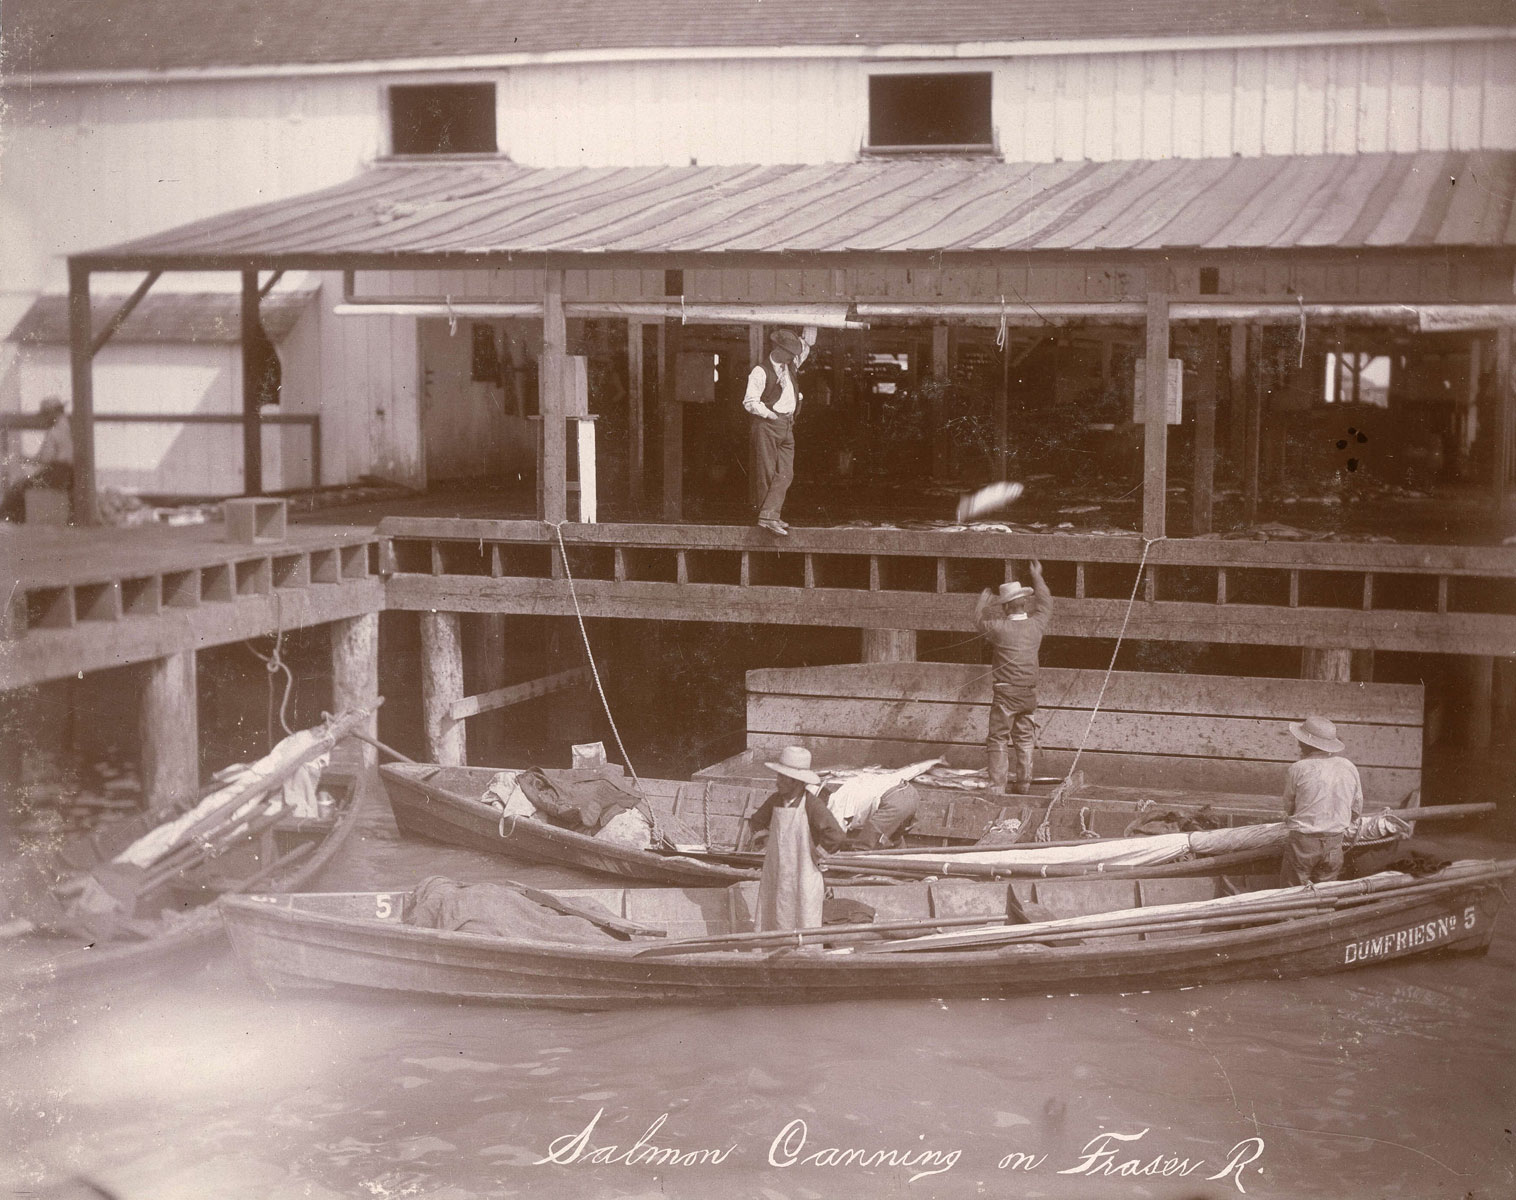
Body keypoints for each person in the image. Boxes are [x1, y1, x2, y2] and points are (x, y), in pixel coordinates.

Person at [975, 559, 1053, 795]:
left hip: (1006, 694)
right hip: (1029, 693)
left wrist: (983, 602)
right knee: (1025, 737)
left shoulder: (998, 628)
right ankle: (1024, 784)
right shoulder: (1036, 625)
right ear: (1024, 604)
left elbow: (978, 621)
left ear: (1006, 607)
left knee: (998, 738)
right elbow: (1046, 603)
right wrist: (1037, 576)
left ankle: (997, 786)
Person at [743, 327, 816, 536]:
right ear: (778, 349)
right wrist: (770, 415)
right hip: (768, 424)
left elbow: (805, 349)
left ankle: (769, 516)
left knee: (786, 473)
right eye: (790, 353)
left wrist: (811, 326)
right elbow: (750, 402)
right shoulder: (760, 371)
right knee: (765, 471)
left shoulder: (790, 365)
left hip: (787, 425)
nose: (793, 357)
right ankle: (768, 517)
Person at [1279, 713, 1362, 886]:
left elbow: (1289, 807)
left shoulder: (1298, 768)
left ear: (1304, 743)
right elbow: (1356, 807)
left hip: (1303, 843)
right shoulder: (1348, 766)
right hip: (1334, 841)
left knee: (1292, 891)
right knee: (1326, 891)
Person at [1, 397, 72, 522]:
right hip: (70, 473)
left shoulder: (54, 431)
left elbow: (45, 458)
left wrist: (24, 458)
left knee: (18, 487)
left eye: (45, 414)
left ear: (52, 413)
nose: (45, 418)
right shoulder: (68, 427)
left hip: (57, 472)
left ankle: (9, 519)